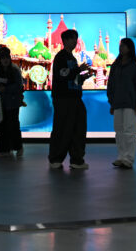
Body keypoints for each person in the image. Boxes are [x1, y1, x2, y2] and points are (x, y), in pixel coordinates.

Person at [48, 28, 92, 170]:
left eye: (76, 39)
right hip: (63, 99)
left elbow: (74, 79)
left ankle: (77, 159)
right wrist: (79, 70)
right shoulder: (60, 57)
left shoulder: (72, 58)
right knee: (62, 129)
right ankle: (56, 159)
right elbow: (63, 74)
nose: (75, 42)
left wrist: (83, 78)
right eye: (72, 39)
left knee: (79, 129)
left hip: (75, 98)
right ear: (65, 40)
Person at [106, 38, 136, 169]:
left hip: (131, 104)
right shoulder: (115, 65)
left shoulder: (135, 66)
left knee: (129, 132)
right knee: (119, 132)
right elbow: (111, 85)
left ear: (130, 48)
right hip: (117, 103)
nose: (121, 48)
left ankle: (128, 159)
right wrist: (112, 102)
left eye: (124, 46)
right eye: (120, 45)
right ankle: (121, 157)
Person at [0, 46, 24, 157]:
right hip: (2, 103)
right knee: (2, 127)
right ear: (0, 59)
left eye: (7, 58)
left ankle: (18, 147)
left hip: (13, 103)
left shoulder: (14, 70)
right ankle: (4, 151)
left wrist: (6, 89)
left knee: (13, 126)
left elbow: (19, 86)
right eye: (3, 58)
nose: (5, 60)